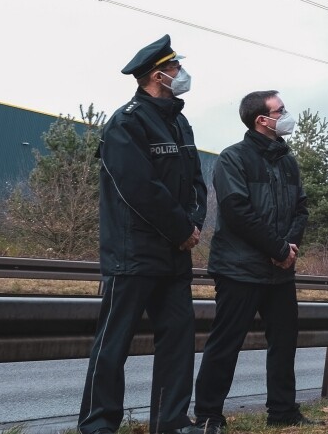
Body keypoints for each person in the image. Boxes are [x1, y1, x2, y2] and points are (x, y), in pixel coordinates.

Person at [79, 35, 207, 434]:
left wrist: (194, 221)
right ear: (158, 75)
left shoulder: (179, 121)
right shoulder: (127, 121)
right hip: (132, 254)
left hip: (173, 255)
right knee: (113, 344)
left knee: (178, 340)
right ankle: (98, 424)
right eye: (175, 69)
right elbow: (137, 188)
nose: (181, 75)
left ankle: (171, 423)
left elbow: (195, 183)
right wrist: (181, 227)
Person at [194, 91, 320, 432]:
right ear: (261, 120)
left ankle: (283, 411)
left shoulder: (287, 160)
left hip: (280, 272)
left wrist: (289, 247)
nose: (287, 114)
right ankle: (208, 415)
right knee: (226, 343)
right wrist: (278, 249)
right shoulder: (233, 158)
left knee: (284, 342)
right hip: (239, 268)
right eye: (281, 110)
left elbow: (301, 209)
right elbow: (237, 211)